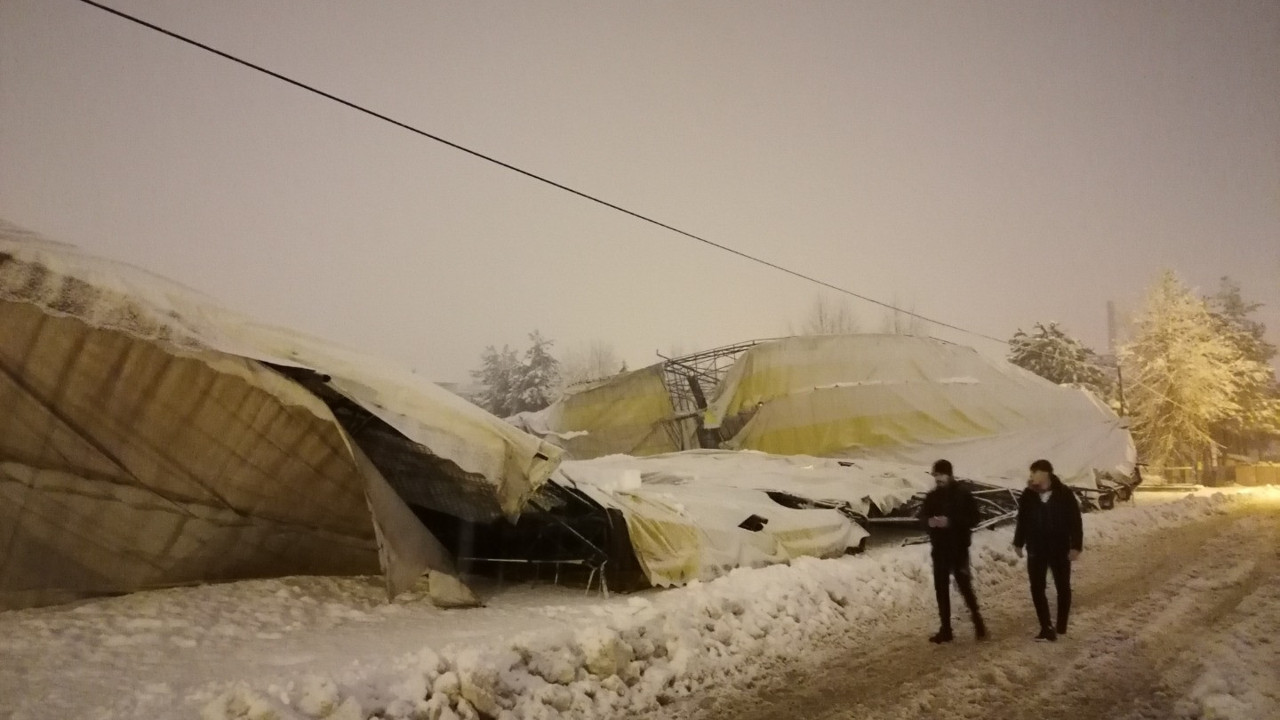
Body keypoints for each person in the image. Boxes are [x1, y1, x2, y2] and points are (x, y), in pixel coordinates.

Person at [1012, 459, 1083, 642]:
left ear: (1046, 473)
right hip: (1036, 548)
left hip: (1059, 547)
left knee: (1063, 586)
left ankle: (1061, 625)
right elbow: (1023, 520)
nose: (1031, 477)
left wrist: (1076, 546)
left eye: (1034, 473)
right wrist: (1018, 542)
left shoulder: (1064, 494)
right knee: (1037, 587)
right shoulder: (1028, 495)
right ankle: (1046, 627)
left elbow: (1075, 521)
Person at [918, 459, 986, 643]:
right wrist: (929, 522)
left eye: (940, 475)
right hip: (939, 549)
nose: (937, 479)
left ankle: (977, 619)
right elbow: (922, 517)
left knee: (964, 586)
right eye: (935, 475)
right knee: (941, 589)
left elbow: (975, 518)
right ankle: (945, 629)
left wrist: (950, 522)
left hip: (958, 548)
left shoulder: (963, 494)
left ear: (949, 474)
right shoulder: (933, 496)